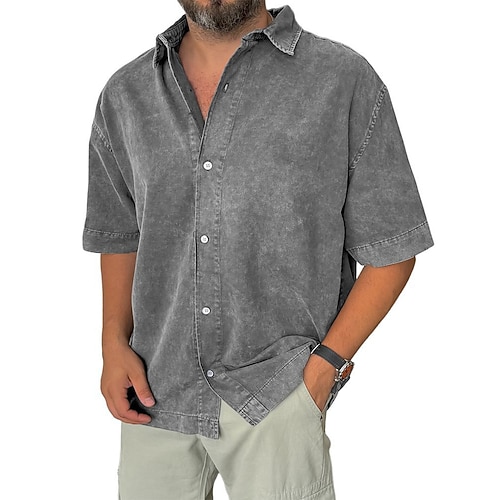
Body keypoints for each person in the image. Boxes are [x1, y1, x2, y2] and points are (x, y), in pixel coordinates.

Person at [82, 1, 434, 498]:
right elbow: (120, 236)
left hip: (279, 391)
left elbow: (392, 247)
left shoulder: (342, 80)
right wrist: (112, 343)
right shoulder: (125, 94)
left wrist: (322, 371)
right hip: (154, 394)